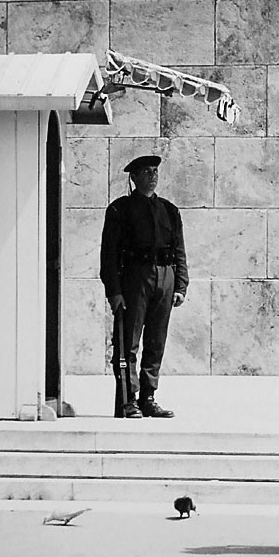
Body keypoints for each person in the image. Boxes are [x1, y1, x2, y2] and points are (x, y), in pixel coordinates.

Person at [100, 155, 188, 419]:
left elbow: (179, 249)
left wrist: (180, 284)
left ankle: (148, 397)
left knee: (156, 342)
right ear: (134, 177)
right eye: (146, 172)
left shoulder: (169, 210)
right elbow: (109, 255)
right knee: (128, 343)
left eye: (155, 171)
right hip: (135, 278)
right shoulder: (120, 210)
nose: (152, 176)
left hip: (165, 276)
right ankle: (128, 400)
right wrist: (114, 291)